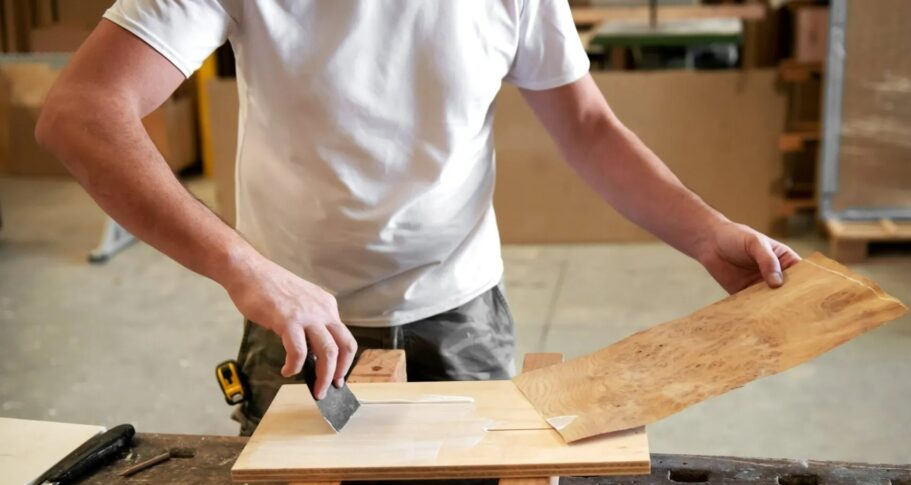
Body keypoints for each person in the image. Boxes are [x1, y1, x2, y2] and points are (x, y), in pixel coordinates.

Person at [36, 1, 800, 434]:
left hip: (461, 314)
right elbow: (80, 113)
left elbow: (589, 128)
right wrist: (245, 267)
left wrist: (709, 233)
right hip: (298, 326)